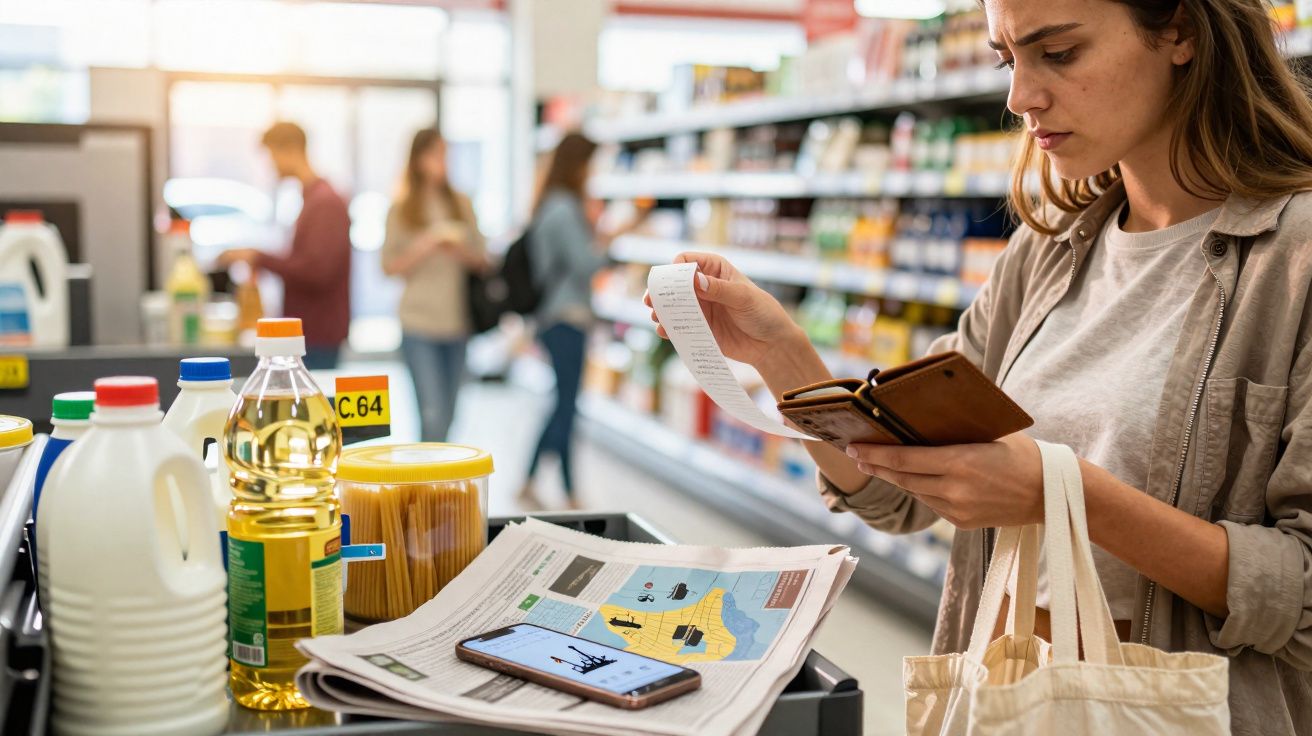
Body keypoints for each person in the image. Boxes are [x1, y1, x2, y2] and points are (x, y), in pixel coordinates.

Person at [648, 1, 1312, 731]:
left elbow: (1300, 592)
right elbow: (894, 496)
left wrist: (1061, 493)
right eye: (1008, 59)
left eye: (1058, 53)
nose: (1019, 96)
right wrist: (782, 353)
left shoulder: (1293, 263)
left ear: (1180, 31)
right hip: (1003, 701)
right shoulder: (1048, 253)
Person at [518, 132, 646, 510]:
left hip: (554, 317)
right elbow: (587, 264)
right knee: (567, 406)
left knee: (563, 403)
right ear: (578, 164)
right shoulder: (563, 208)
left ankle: (544, 483)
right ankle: (560, 487)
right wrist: (611, 237)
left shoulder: (550, 204)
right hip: (566, 317)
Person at [381, 128, 487, 442]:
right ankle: (429, 490)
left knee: (451, 416)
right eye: (436, 154)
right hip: (418, 325)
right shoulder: (401, 209)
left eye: (445, 153)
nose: (442, 161)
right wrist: (425, 244)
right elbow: (388, 267)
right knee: (432, 415)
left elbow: (483, 261)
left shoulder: (462, 204)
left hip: (457, 324)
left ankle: (439, 486)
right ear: (418, 159)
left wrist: (458, 250)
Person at [219, 122, 352, 369]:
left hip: (318, 334)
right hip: (311, 333)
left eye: (272, 156)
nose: (271, 166)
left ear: (289, 150)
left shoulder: (325, 203)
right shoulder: (313, 199)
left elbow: (317, 271)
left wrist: (258, 257)